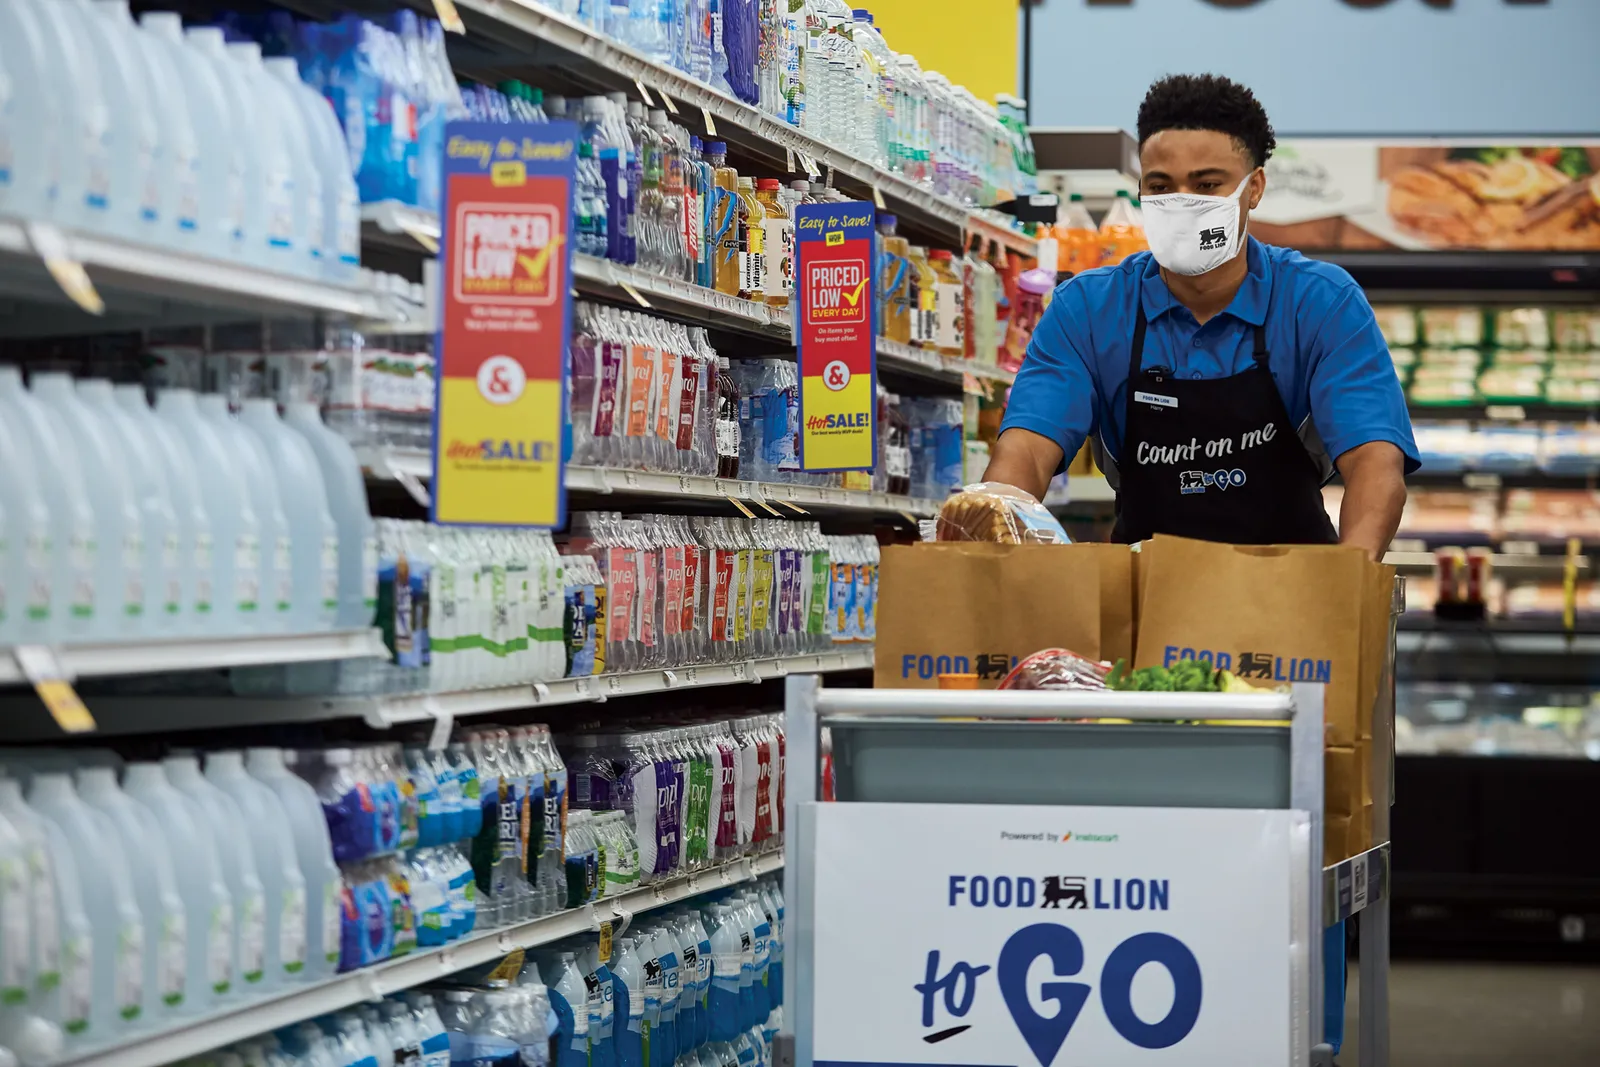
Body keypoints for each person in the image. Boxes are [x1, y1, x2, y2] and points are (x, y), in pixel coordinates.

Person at [985, 73, 1417, 558]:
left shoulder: (1320, 302)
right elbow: (1025, 450)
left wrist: (1347, 583)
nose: (1182, 203)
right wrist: (996, 533)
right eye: (1161, 186)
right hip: (1143, 602)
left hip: (1293, 601)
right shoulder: (1087, 310)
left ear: (1254, 189)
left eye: (1207, 184)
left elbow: (1375, 464)